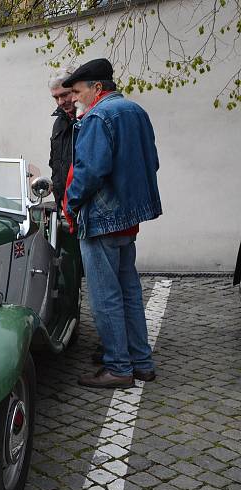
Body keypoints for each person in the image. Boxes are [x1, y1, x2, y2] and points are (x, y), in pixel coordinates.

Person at [62, 58, 162, 388]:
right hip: (127, 220)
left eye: (77, 91)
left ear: (97, 88)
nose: (74, 98)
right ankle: (142, 364)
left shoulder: (98, 116)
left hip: (102, 220)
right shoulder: (136, 111)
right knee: (129, 292)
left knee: (106, 297)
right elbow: (153, 162)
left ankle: (119, 367)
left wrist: (71, 204)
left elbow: (89, 172)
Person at [48, 65, 76, 209]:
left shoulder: (90, 119)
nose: (60, 102)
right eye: (56, 97)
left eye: (64, 95)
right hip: (64, 207)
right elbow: (55, 163)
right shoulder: (59, 123)